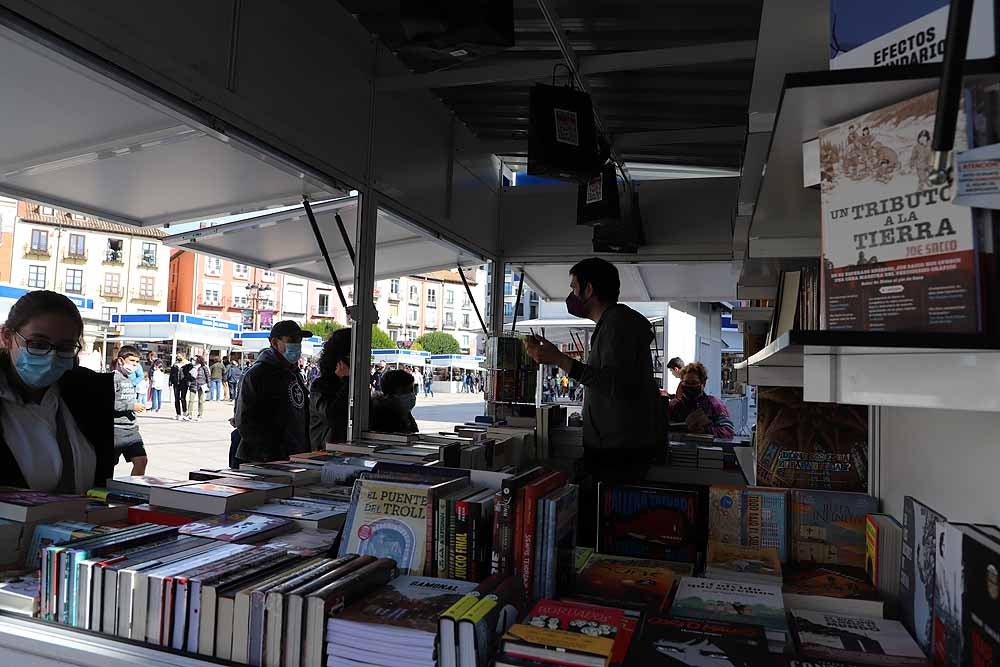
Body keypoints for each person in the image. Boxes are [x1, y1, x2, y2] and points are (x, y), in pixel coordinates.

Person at [524, 258, 663, 540]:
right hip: (615, 449)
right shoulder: (614, 324)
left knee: (607, 532)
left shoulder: (617, 324)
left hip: (619, 454)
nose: (571, 295)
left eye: (574, 287)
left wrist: (560, 360)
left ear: (589, 290)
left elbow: (613, 383)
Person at [0, 291, 114, 492]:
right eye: (37, 344)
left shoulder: (89, 395)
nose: (51, 356)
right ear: (7, 338)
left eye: (65, 347)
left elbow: (99, 485)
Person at [236, 320, 312, 462]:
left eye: (299, 341)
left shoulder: (294, 373)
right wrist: (269, 454)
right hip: (267, 459)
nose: (297, 345)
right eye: (292, 340)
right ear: (275, 343)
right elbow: (245, 420)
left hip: (295, 455)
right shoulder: (257, 374)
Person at [308, 328, 352, 449]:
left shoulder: (358, 385)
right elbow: (334, 417)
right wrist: (347, 380)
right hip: (326, 454)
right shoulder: (321, 386)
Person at [668, 362, 735, 438]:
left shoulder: (714, 404)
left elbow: (728, 431)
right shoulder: (673, 405)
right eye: (686, 383)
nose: (689, 386)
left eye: (694, 383)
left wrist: (707, 430)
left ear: (703, 383)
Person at [112, 345, 148, 475]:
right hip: (116, 431)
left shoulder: (129, 379)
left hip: (132, 431)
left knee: (141, 460)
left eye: (137, 362)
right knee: (108, 465)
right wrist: (131, 406)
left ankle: (136, 489)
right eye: (132, 361)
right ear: (121, 361)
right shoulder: (113, 379)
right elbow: (108, 403)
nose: (135, 365)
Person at [370, 369, 419, 433]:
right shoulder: (384, 415)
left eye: (412, 390)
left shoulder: (403, 411)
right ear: (391, 393)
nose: (412, 395)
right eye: (405, 391)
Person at [168, 354, 191, 420]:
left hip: (184, 383)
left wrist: (189, 382)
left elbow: (190, 374)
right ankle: (178, 414)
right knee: (176, 399)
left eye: (179, 356)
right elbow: (171, 374)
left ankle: (185, 412)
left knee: (183, 398)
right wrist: (170, 382)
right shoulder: (175, 365)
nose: (178, 357)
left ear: (183, 357)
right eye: (177, 356)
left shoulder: (188, 364)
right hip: (176, 383)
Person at [186, 355, 209, 421]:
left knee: (201, 401)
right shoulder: (191, 367)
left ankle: (200, 415)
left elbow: (208, 376)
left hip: (201, 385)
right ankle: (189, 414)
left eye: (194, 359)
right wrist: (188, 382)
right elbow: (188, 376)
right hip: (193, 385)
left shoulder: (203, 367)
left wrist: (208, 385)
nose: (193, 361)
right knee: (191, 400)